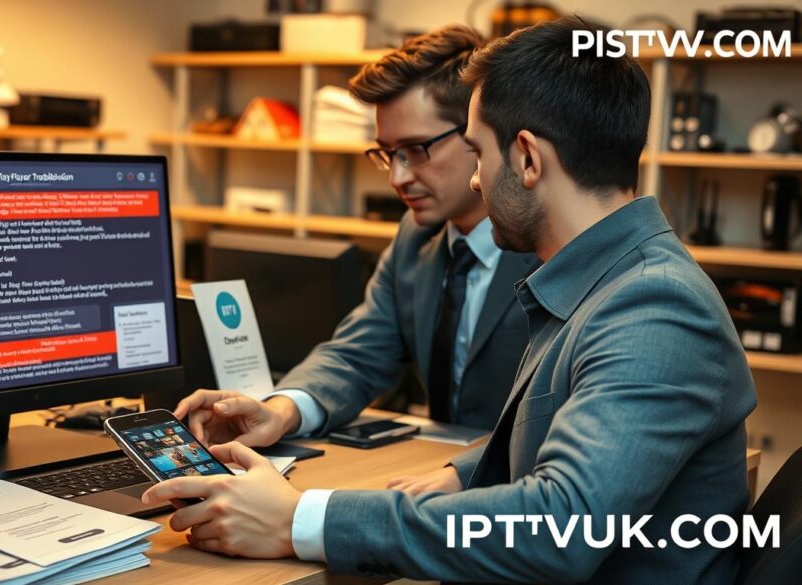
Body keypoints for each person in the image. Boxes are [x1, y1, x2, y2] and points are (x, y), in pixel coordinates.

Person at [143, 17, 758, 583]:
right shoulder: (603, 277)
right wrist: (464, 473)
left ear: (526, 158)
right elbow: (558, 437)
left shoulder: (654, 306)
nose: (474, 177)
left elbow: (561, 528)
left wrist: (302, 518)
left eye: (479, 152)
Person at [175, 24, 538, 495]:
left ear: (478, 134)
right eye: (387, 154)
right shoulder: (416, 237)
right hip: (438, 481)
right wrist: (280, 411)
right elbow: (357, 354)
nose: (397, 178)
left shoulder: (547, 245)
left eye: (416, 150)